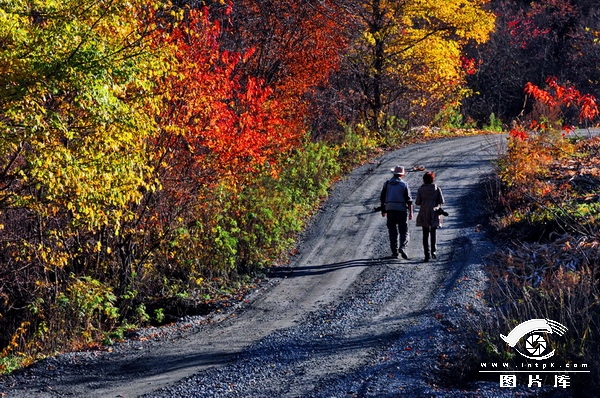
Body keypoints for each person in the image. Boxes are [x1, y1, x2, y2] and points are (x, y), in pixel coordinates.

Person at [380, 166, 413, 259]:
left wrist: (383, 210)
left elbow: (382, 198)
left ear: (393, 174)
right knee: (404, 231)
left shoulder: (387, 184)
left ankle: (394, 252)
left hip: (390, 209)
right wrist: (411, 213)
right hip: (401, 209)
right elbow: (409, 200)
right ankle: (403, 247)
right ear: (402, 175)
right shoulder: (404, 185)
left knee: (392, 231)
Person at [415, 171, 445, 262]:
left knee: (425, 234)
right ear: (433, 179)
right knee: (433, 233)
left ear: (424, 180)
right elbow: (442, 201)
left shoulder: (420, 189)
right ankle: (434, 251)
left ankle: (426, 254)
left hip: (424, 212)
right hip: (434, 212)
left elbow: (417, 202)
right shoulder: (437, 189)